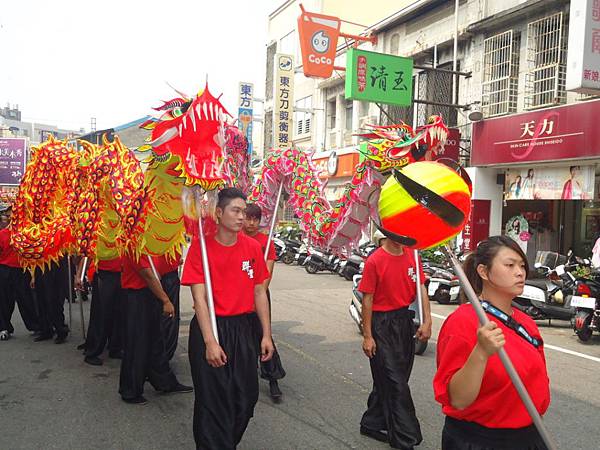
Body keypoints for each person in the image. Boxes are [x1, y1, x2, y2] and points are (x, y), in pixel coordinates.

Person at [433, 236, 550, 450]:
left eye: (522, 265)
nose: (520, 272)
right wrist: (481, 352)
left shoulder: (527, 323)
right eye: (509, 265)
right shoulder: (462, 323)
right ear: (484, 272)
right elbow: (458, 399)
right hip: (481, 441)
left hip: (530, 436)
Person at [182, 187, 274, 450]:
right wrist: (210, 342)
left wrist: (266, 334)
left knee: (245, 398)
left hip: (243, 329)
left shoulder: (253, 248)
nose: (242, 217)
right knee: (212, 402)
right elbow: (199, 299)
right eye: (236, 211)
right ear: (219, 213)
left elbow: (259, 292)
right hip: (210, 328)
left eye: (244, 212)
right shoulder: (201, 247)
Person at [359, 230, 432, 449]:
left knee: (395, 378)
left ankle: (371, 423)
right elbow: (367, 300)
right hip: (381, 325)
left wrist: (427, 321)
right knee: (395, 383)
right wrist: (368, 336)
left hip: (403, 321)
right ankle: (405, 437)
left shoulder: (413, 255)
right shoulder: (375, 261)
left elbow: (422, 289)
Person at [118, 252, 192, 404]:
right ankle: (130, 390)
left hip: (149, 294)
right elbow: (147, 274)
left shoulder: (149, 240)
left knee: (156, 341)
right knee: (137, 344)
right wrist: (165, 300)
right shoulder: (134, 241)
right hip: (137, 296)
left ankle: (164, 381)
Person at [243, 203, 286, 400]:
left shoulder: (266, 242)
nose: (251, 223)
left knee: (264, 335)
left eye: (255, 219)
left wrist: (258, 293)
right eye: (248, 218)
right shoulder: (234, 239)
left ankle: (272, 379)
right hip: (237, 296)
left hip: (259, 295)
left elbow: (267, 274)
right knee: (241, 339)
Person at [77, 256, 124, 365]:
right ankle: (92, 351)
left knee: (118, 314)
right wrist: (79, 275)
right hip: (104, 275)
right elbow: (87, 255)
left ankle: (115, 347)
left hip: (120, 274)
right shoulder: (98, 238)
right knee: (101, 315)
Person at [0, 215, 40, 340]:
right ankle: (4, 328)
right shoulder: (4, 234)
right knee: (6, 300)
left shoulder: (24, 234)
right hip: (6, 269)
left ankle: (34, 325)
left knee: (24, 298)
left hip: (19, 269)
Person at [153, 250, 182, 361]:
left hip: (162, 271)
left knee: (167, 319)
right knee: (167, 318)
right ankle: (161, 357)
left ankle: (161, 356)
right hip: (158, 273)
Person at [33, 257, 70, 344]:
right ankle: (46, 329)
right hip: (39, 261)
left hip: (54, 261)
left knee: (53, 298)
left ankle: (60, 329)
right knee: (41, 297)